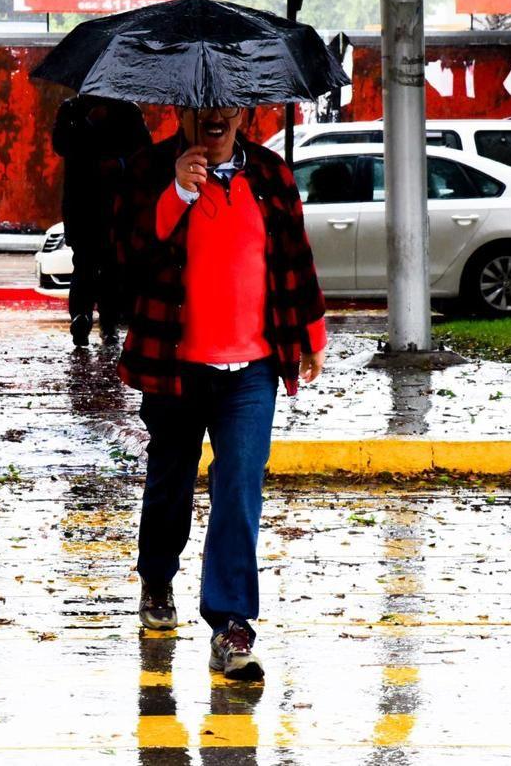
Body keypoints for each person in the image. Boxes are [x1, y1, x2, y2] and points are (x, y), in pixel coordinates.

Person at [116, 106, 328, 681]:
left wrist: (311, 333)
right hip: (175, 364)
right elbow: (125, 258)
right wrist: (176, 195)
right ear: (182, 111)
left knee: (238, 489)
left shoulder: (270, 173)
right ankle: (157, 578)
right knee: (171, 483)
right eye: (202, 105)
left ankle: (231, 624)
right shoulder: (149, 170)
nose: (215, 115)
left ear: (243, 112)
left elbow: (294, 257)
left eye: (227, 105)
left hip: (253, 368)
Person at [51, 95, 151, 347]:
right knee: (84, 261)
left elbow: (144, 151)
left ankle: (109, 324)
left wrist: (119, 164)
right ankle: (81, 318)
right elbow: (60, 145)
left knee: (112, 264)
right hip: (81, 204)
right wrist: (86, 122)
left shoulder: (128, 111)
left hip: (117, 203)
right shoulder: (72, 109)